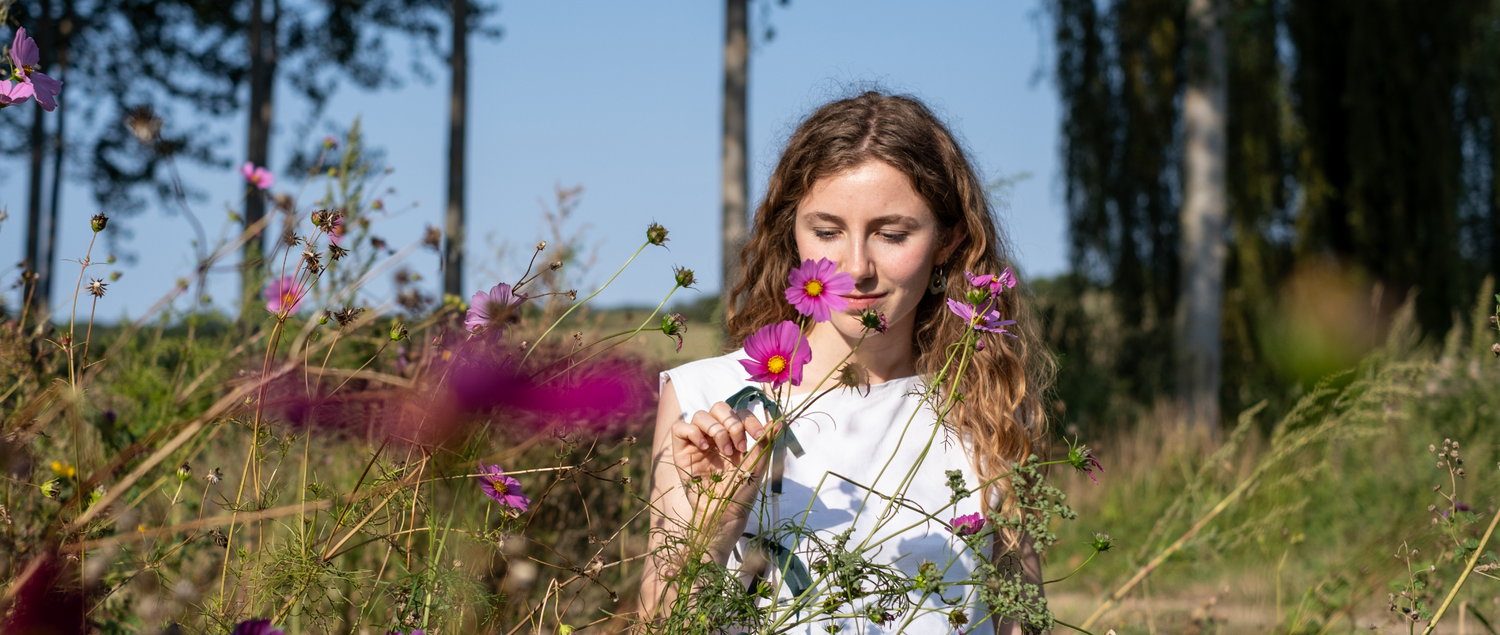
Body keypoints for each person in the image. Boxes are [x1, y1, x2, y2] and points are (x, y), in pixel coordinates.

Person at [639, 91, 1053, 634]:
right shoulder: (706, 403)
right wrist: (712, 533)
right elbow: (659, 626)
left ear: (948, 240)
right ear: (792, 231)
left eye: (892, 234)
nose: (855, 267)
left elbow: (1024, 623)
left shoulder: (986, 405)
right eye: (827, 231)